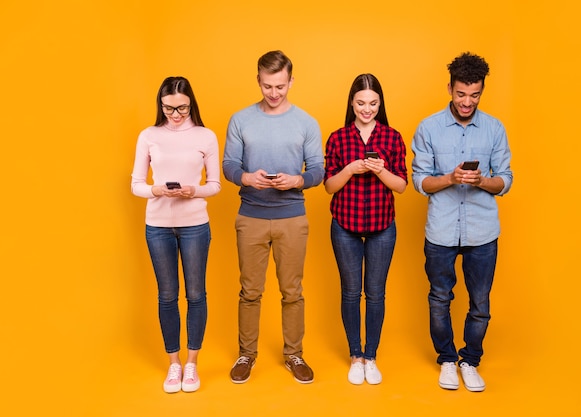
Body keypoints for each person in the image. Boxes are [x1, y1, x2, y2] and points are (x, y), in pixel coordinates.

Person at [411, 52, 513, 392]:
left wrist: (482, 181)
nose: (467, 101)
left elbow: (506, 180)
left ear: (481, 91)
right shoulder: (428, 127)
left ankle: (470, 360)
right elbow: (421, 182)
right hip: (441, 230)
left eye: (474, 95)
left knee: (480, 304)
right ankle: (446, 360)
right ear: (450, 89)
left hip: (483, 232)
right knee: (440, 298)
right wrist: (451, 178)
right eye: (460, 94)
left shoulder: (495, 128)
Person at [222, 50, 324, 384]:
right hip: (250, 214)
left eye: (280, 85)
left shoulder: (306, 122)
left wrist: (298, 180)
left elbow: (319, 171)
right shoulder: (241, 119)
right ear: (258, 81)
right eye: (268, 86)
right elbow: (229, 166)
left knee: (292, 291)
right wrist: (246, 177)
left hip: (292, 216)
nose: (274, 92)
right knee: (249, 291)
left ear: (291, 81)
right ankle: (245, 355)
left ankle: (294, 354)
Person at [131, 76, 221, 393]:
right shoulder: (149, 136)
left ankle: (192, 363)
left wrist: (192, 191)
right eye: (169, 108)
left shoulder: (206, 136)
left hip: (195, 224)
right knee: (167, 295)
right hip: (157, 225)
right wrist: (156, 189)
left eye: (182, 107)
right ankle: (174, 365)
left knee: (195, 294)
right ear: (161, 105)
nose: (176, 114)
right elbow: (136, 184)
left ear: (191, 103)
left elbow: (215, 185)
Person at [324, 74, 407, 385]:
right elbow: (330, 186)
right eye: (361, 103)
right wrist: (351, 168)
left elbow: (400, 186)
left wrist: (380, 169)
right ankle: (355, 355)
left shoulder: (392, 137)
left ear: (380, 103)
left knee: (375, 294)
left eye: (373, 103)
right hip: (345, 225)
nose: (367, 109)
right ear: (351, 103)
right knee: (349, 292)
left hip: (382, 226)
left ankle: (371, 356)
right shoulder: (338, 138)